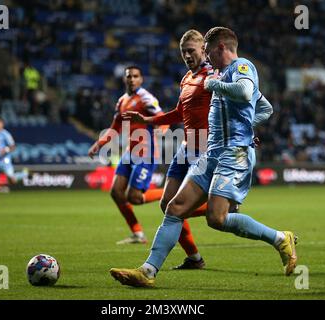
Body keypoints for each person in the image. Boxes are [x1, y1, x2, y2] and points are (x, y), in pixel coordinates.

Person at [110, 27, 297, 287]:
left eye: (204, 51)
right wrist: (245, 123)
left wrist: (241, 127)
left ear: (218, 47)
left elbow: (247, 95)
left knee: (216, 219)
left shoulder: (240, 67)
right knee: (173, 208)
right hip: (209, 151)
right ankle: (147, 271)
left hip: (233, 153)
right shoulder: (201, 76)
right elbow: (263, 107)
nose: (203, 57)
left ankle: (279, 238)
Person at [123, 30, 211, 269]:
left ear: (204, 49)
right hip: (185, 148)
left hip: (205, 149)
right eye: (183, 53)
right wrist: (148, 120)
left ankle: (218, 209)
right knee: (166, 204)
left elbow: (232, 108)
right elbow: (179, 114)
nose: (187, 56)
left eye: (191, 51)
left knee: (180, 208)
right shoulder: (186, 79)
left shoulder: (214, 77)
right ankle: (194, 258)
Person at [88, 66, 166, 245]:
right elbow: (115, 127)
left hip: (145, 153)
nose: (132, 79)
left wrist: (162, 129)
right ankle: (138, 234)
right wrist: (98, 144)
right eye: (129, 76)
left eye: (135, 76)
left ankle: (172, 192)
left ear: (141, 79)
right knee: (116, 192)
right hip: (129, 153)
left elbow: (161, 116)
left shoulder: (146, 97)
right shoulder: (122, 101)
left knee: (134, 197)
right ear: (124, 79)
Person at [0, 116, 29, 205]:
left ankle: (25, 174)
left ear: (1, 124)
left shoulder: (5, 134)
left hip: (4, 160)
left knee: (12, 180)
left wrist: (5, 150)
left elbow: (13, 146)